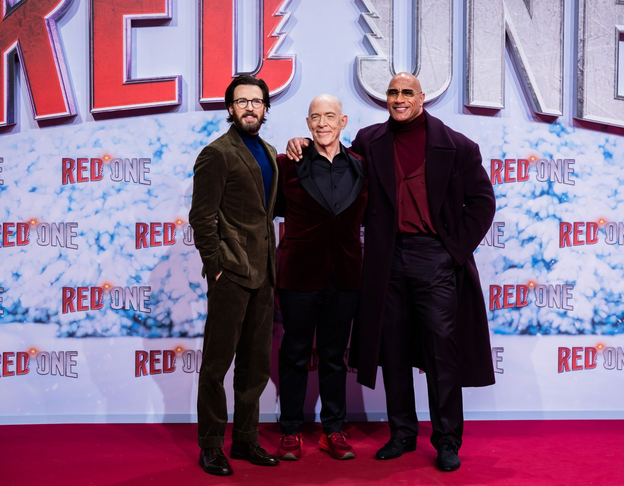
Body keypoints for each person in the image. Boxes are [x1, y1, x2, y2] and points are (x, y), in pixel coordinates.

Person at [287, 72, 496, 472]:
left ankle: (447, 439)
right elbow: (335, 161)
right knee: (394, 349)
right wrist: (302, 143)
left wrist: (452, 251)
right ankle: (402, 433)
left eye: (407, 92)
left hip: (435, 257)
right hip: (387, 260)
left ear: (421, 98)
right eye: (393, 92)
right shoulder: (370, 141)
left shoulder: (458, 145)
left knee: (441, 352)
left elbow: (483, 202)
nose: (399, 98)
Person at [189, 75, 281, 476]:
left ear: (265, 108)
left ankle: (245, 439)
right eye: (241, 101)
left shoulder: (270, 152)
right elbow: (201, 217)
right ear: (230, 108)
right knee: (216, 366)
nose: (249, 108)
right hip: (231, 274)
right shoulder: (217, 153)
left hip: (264, 274)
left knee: (255, 366)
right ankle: (211, 445)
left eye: (256, 101)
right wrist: (217, 268)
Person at [274, 95, 368, 462]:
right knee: (294, 354)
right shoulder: (288, 164)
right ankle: (290, 430)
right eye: (316, 117)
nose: (323, 123)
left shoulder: (361, 166)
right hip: (298, 275)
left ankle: (333, 430)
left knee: (333, 357)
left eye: (330, 116)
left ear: (343, 121)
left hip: (345, 275)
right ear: (307, 123)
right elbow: (268, 211)